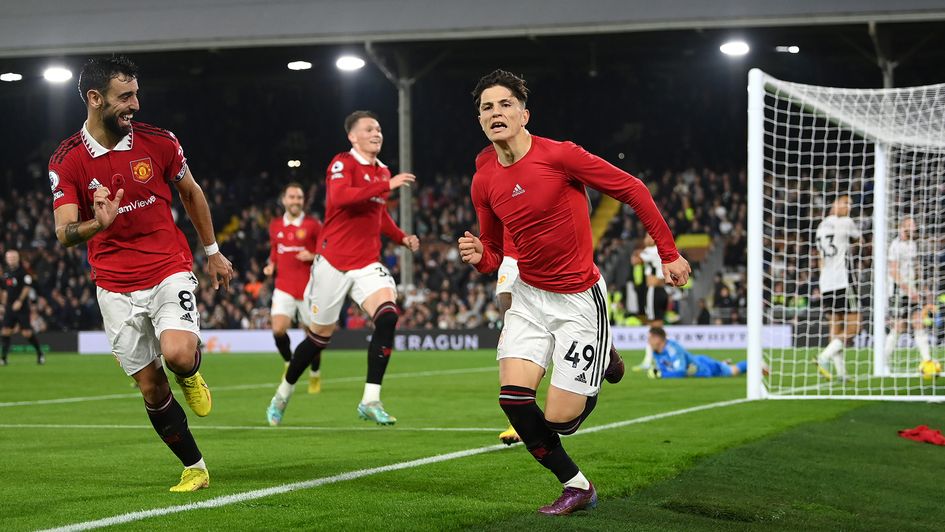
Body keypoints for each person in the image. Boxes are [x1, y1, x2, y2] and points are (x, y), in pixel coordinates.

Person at [458, 70, 690, 515]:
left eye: (505, 104)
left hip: (578, 298)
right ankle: (577, 486)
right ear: (480, 121)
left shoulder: (560, 156)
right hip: (527, 296)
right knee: (514, 401)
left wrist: (669, 254)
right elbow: (493, 254)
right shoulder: (483, 177)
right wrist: (477, 255)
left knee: (561, 421)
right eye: (487, 107)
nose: (495, 113)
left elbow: (633, 189)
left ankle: (601, 356)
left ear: (525, 114)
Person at [49, 56, 234, 492]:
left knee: (177, 355)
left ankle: (190, 373)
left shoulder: (160, 142)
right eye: (125, 97)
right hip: (113, 285)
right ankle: (195, 467)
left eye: (136, 93)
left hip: (168, 267)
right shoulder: (67, 160)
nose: (135, 104)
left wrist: (213, 252)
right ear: (95, 99)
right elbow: (64, 232)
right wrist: (98, 225)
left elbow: (191, 193)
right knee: (151, 387)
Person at [266, 110, 420, 426]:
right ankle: (283, 393)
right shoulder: (342, 164)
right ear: (353, 136)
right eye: (369, 129)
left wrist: (402, 237)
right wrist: (385, 185)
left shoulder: (382, 171)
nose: (377, 133)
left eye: (379, 128)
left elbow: (379, 216)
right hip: (332, 263)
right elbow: (341, 197)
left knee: (388, 315)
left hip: (366, 263)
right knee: (318, 339)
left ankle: (370, 399)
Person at [263, 182, 322, 392]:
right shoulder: (276, 225)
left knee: (313, 336)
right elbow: (275, 251)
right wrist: (271, 265)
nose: (295, 201)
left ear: (303, 200)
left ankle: (315, 374)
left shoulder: (314, 225)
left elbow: (327, 251)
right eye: (292, 197)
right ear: (284, 199)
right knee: (278, 329)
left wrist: (313, 255)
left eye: (298, 197)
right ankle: (289, 362)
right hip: (284, 286)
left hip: (308, 288)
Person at [813, 195, 862, 380]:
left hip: (826, 282)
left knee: (835, 328)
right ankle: (824, 357)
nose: (849, 207)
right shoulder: (846, 222)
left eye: (850, 204)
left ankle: (841, 373)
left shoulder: (820, 227)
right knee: (855, 327)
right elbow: (859, 239)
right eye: (845, 203)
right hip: (843, 279)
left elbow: (819, 258)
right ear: (834, 204)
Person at [885, 216, 935, 372]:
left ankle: (927, 361)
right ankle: (883, 362)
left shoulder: (912, 244)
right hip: (898, 292)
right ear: (903, 227)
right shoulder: (895, 246)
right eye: (911, 225)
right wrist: (908, 290)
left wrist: (923, 288)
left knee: (918, 322)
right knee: (898, 327)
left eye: (914, 225)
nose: (914, 228)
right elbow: (893, 272)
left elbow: (916, 268)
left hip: (912, 290)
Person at [630, 235, 669, 371]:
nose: (646, 239)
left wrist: (637, 251)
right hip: (662, 290)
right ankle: (663, 357)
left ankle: (650, 361)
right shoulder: (659, 251)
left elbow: (635, 261)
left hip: (654, 290)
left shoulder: (652, 251)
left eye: (648, 236)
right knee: (659, 327)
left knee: (654, 328)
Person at [646, 327, 746, 379]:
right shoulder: (657, 351)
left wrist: (661, 375)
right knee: (726, 367)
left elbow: (680, 372)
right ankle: (723, 363)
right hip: (697, 363)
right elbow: (665, 367)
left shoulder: (673, 349)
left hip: (706, 367)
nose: (648, 341)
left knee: (733, 371)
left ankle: (756, 363)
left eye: (650, 338)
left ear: (658, 338)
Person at [1, 250, 45, 365]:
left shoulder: (23, 272)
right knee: (5, 331)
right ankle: (3, 358)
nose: (11, 259)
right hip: (9, 307)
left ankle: (40, 353)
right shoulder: (6, 273)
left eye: (13, 257)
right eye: (9, 258)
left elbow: (27, 287)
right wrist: (3, 305)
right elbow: (5, 290)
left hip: (22, 307)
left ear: (17, 258)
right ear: (6, 259)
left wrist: (20, 301)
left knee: (27, 333)